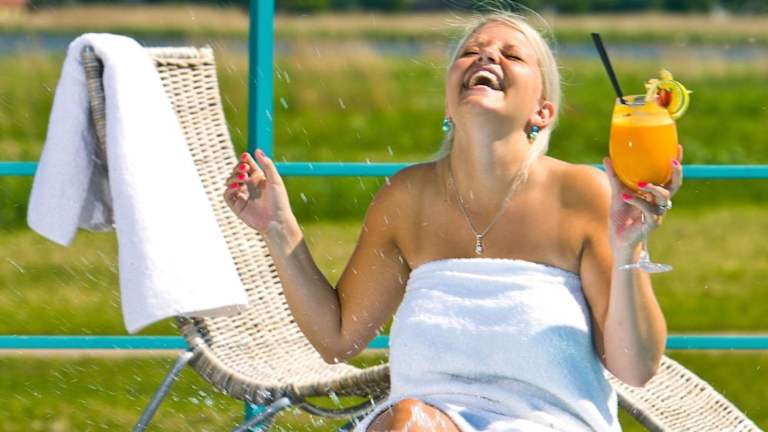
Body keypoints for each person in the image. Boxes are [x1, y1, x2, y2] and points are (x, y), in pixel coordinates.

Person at [223, 8, 682, 432]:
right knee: (406, 419)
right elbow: (338, 337)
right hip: (425, 424)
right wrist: (278, 227)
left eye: (511, 55)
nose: (486, 57)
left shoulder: (581, 195)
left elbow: (636, 367)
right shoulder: (407, 199)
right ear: (448, 103)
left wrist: (629, 246)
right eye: (470, 52)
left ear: (542, 112)